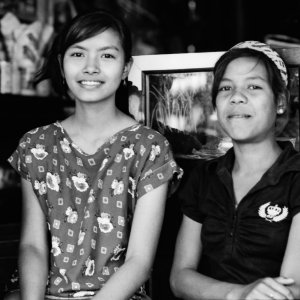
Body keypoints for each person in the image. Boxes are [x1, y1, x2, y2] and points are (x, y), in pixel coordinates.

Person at [4, 10, 182, 300]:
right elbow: (32, 246)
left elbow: (139, 261)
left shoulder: (149, 147)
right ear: (61, 65)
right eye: (78, 54)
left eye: (107, 56)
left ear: (126, 68)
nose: (91, 67)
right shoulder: (36, 145)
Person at [170, 41, 300, 300]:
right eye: (226, 88)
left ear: (281, 101)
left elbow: (293, 287)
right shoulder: (204, 177)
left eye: (253, 86)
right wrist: (238, 294)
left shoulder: (295, 177)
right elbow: (179, 278)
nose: (237, 97)